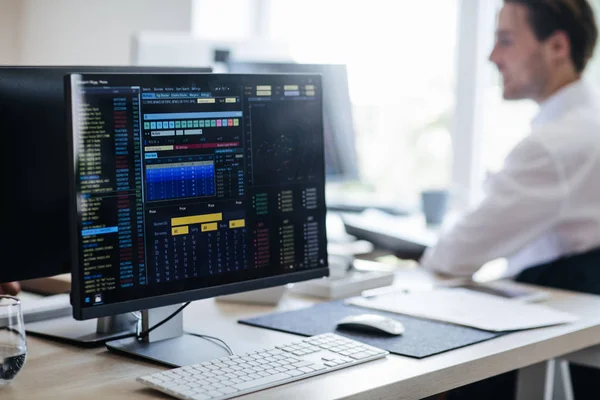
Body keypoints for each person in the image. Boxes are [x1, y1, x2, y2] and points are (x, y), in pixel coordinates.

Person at [419, 1, 600, 398]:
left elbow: (452, 257)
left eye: (505, 40)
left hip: (565, 352)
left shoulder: (555, 146)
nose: (492, 56)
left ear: (557, 47)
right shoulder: (588, 124)